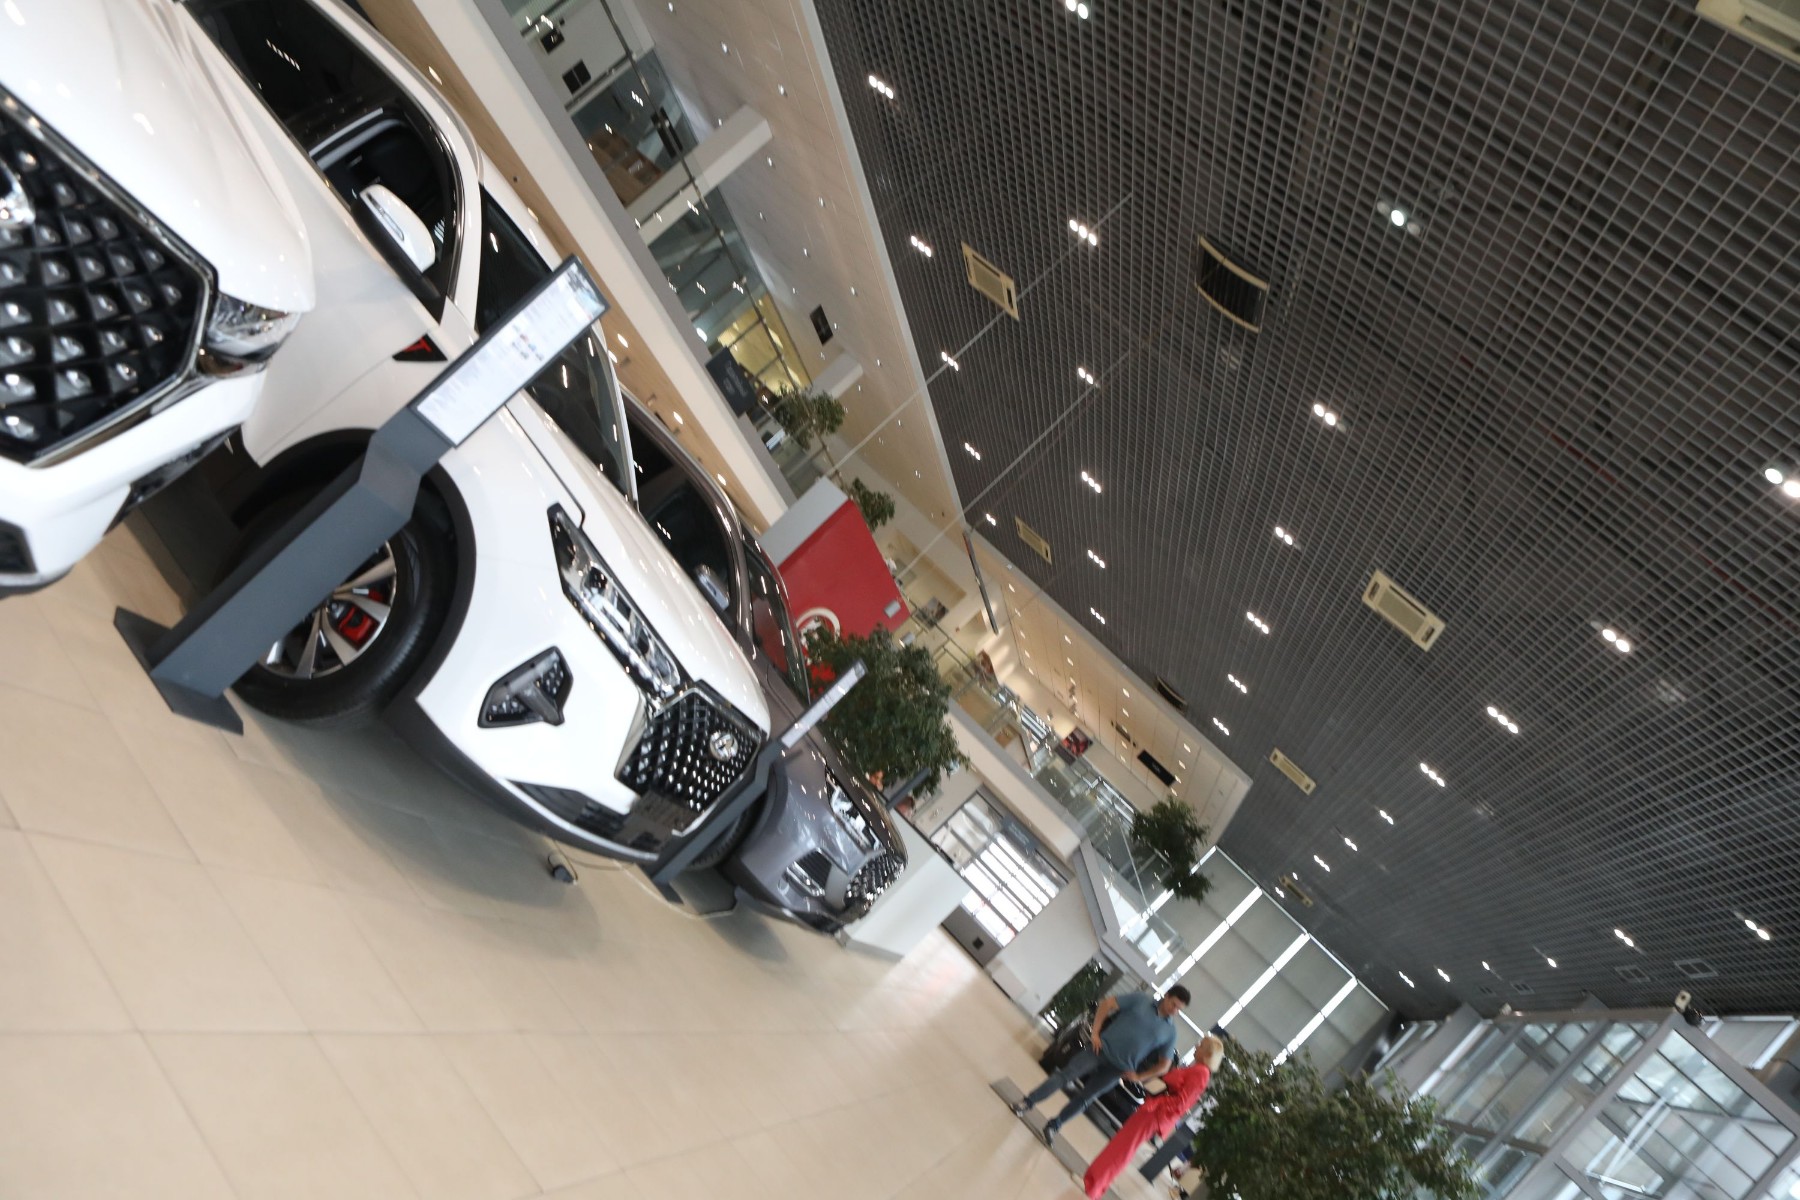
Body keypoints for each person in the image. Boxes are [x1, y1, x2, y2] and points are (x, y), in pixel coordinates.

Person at [1012, 986, 1190, 1143]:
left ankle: (1054, 1126)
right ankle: (1027, 1102)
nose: (1174, 1010)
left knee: (1085, 1099)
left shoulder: (1170, 1032)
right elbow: (1107, 1003)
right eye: (1173, 1004)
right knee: (1065, 1076)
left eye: (1179, 1009)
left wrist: (1139, 1077)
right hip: (1099, 1050)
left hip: (1119, 1069)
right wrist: (1095, 1033)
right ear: (1166, 996)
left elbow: (1164, 1065)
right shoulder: (1141, 1000)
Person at [1080, 1035, 1223, 1199]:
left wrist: (1159, 1101)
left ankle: (1095, 1184)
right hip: (1152, 1110)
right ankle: (1094, 1182)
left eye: (1201, 1045)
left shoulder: (1201, 1073)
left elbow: (1182, 1103)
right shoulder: (1196, 1069)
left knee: (1122, 1148)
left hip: (1155, 1113)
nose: (1197, 1046)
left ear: (1208, 1054)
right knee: (1121, 1146)